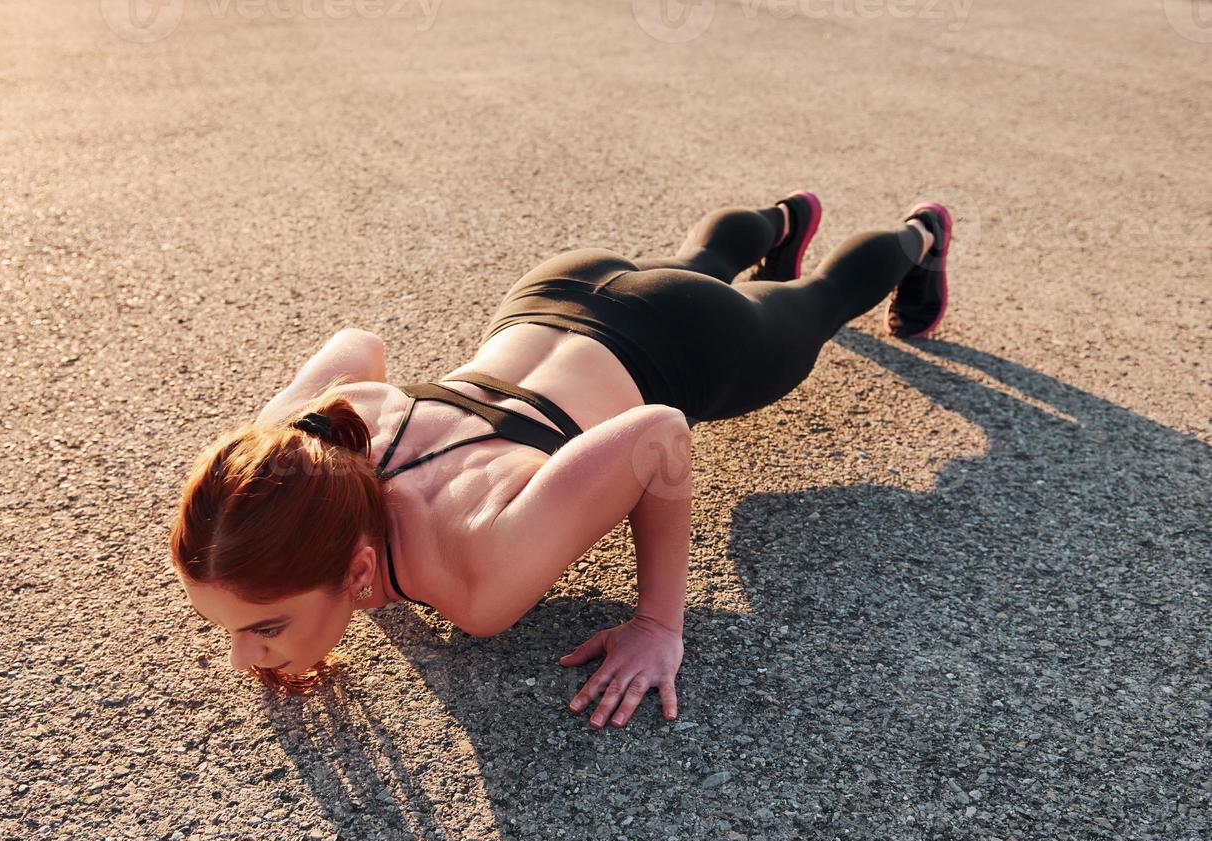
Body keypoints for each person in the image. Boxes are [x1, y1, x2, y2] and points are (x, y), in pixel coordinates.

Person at [169, 193, 953, 728]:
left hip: (690, 340)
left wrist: (658, 623)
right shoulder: (303, 440)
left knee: (820, 302)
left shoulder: (479, 583)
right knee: (696, 259)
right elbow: (356, 346)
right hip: (556, 286)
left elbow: (661, 435)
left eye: (264, 627)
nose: (244, 658)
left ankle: (921, 235)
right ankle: (781, 218)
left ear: (358, 566)